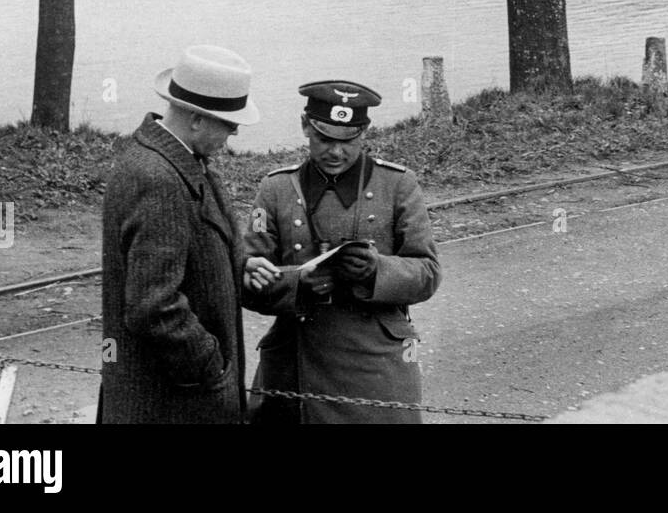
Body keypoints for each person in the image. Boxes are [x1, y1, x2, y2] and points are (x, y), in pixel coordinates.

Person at [241, 80, 441, 424]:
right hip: (295, 361)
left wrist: (376, 271)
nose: (336, 152)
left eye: (348, 140)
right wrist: (298, 283)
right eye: (324, 138)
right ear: (306, 126)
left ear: (365, 132)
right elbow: (247, 279)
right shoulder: (275, 190)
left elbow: (427, 273)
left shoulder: (397, 185)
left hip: (375, 366)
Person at [99, 44, 259, 424]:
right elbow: (154, 305)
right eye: (229, 123)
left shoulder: (183, 164)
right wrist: (212, 366)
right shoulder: (158, 178)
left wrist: (240, 266)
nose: (234, 133)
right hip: (169, 405)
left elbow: (193, 259)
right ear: (197, 119)